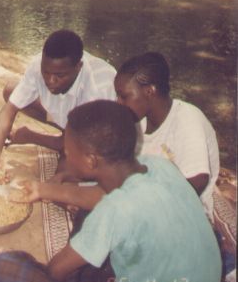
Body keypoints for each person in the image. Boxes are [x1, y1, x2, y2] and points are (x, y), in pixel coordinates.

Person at [0, 100, 222, 282]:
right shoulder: (160, 166)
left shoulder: (113, 211)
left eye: (67, 152)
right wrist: (42, 190)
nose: (65, 156)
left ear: (90, 160)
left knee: (2, 269)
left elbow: (56, 271)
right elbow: (100, 195)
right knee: (93, 216)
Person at [47, 52, 221, 215]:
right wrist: (75, 175)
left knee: (95, 218)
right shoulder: (138, 121)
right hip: (142, 195)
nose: (118, 102)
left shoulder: (187, 119)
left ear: (149, 91)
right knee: (79, 197)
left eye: (124, 96)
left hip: (179, 212)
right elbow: (118, 168)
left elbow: (197, 181)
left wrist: (137, 206)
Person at [0, 29, 116, 182]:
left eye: (59, 76)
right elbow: (9, 109)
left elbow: (79, 146)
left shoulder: (97, 91)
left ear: (78, 67)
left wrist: (32, 137)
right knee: (11, 91)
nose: (50, 81)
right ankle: (58, 133)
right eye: (46, 72)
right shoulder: (39, 66)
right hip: (71, 121)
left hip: (98, 138)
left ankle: (32, 135)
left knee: (63, 180)